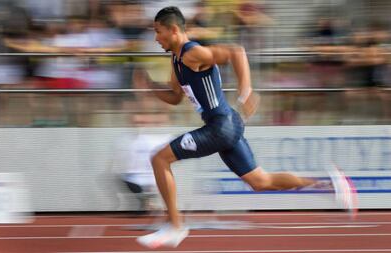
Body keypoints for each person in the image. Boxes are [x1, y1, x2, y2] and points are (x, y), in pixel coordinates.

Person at [137, 6, 355, 249]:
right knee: (260, 181)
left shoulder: (192, 53)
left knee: (159, 159)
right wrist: (149, 86)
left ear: (173, 29)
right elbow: (175, 97)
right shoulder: (176, 59)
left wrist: (246, 91)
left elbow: (236, 52)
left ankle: (176, 226)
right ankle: (327, 183)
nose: (156, 38)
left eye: (158, 32)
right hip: (224, 126)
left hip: (221, 127)